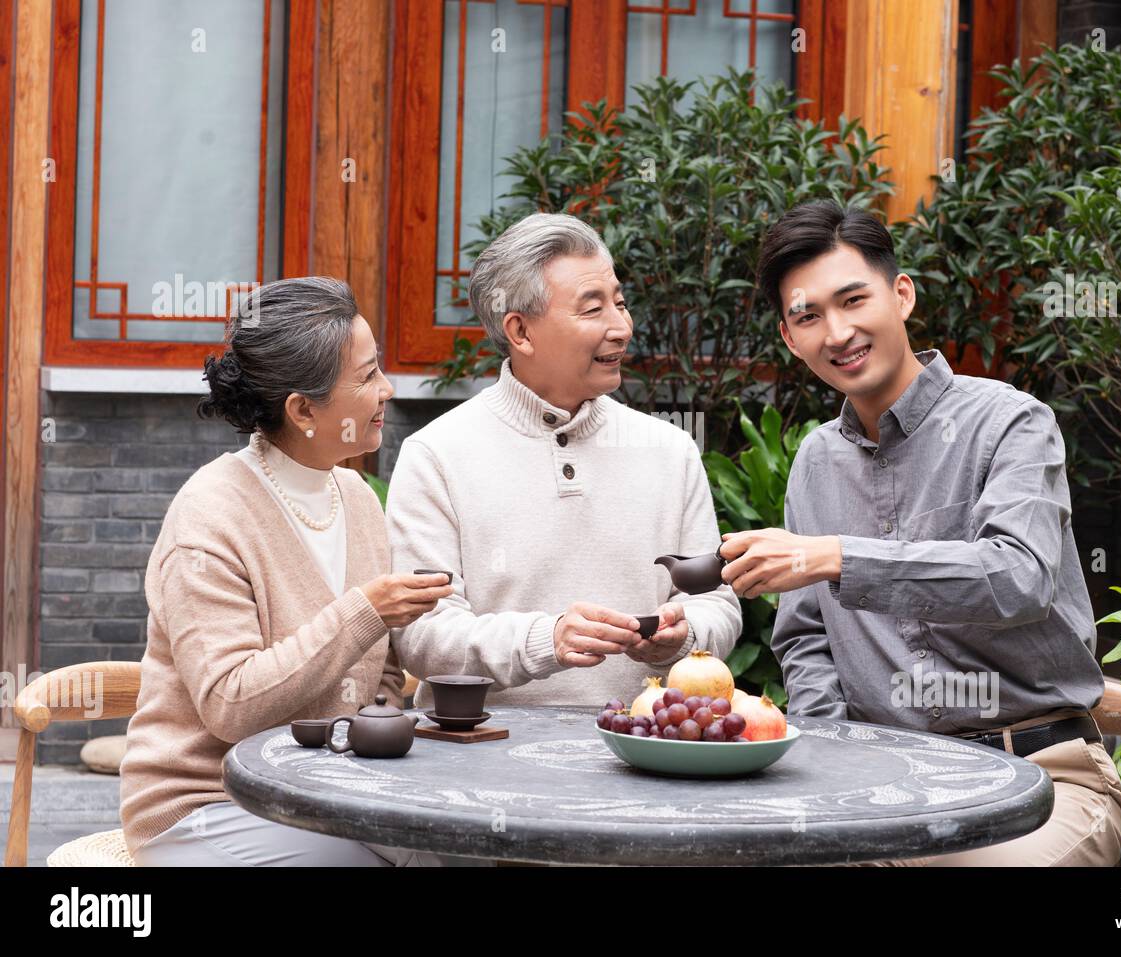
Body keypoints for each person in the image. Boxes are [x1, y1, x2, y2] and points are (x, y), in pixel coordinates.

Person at [718, 201, 1121, 866]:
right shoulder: (816, 462)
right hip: (882, 789)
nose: (839, 330)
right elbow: (806, 641)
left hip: (1038, 776)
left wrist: (837, 556)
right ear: (790, 338)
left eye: (854, 299)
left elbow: (1018, 578)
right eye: (809, 315)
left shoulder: (1010, 423)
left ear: (901, 293)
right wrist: (834, 768)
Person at [120, 277, 455, 866]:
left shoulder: (355, 496)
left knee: (455, 850)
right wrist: (364, 612)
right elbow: (230, 704)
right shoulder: (211, 515)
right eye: (368, 375)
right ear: (302, 409)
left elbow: (379, 682)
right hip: (211, 803)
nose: (387, 389)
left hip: (328, 791)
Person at [387, 212, 741, 712]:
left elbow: (715, 604)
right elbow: (422, 636)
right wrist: (546, 640)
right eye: (592, 309)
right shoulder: (437, 454)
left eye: (619, 303)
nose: (621, 327)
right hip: (479, 761)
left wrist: (684, 636)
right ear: (521, 331)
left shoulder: (669, 448)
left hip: (644, 752)